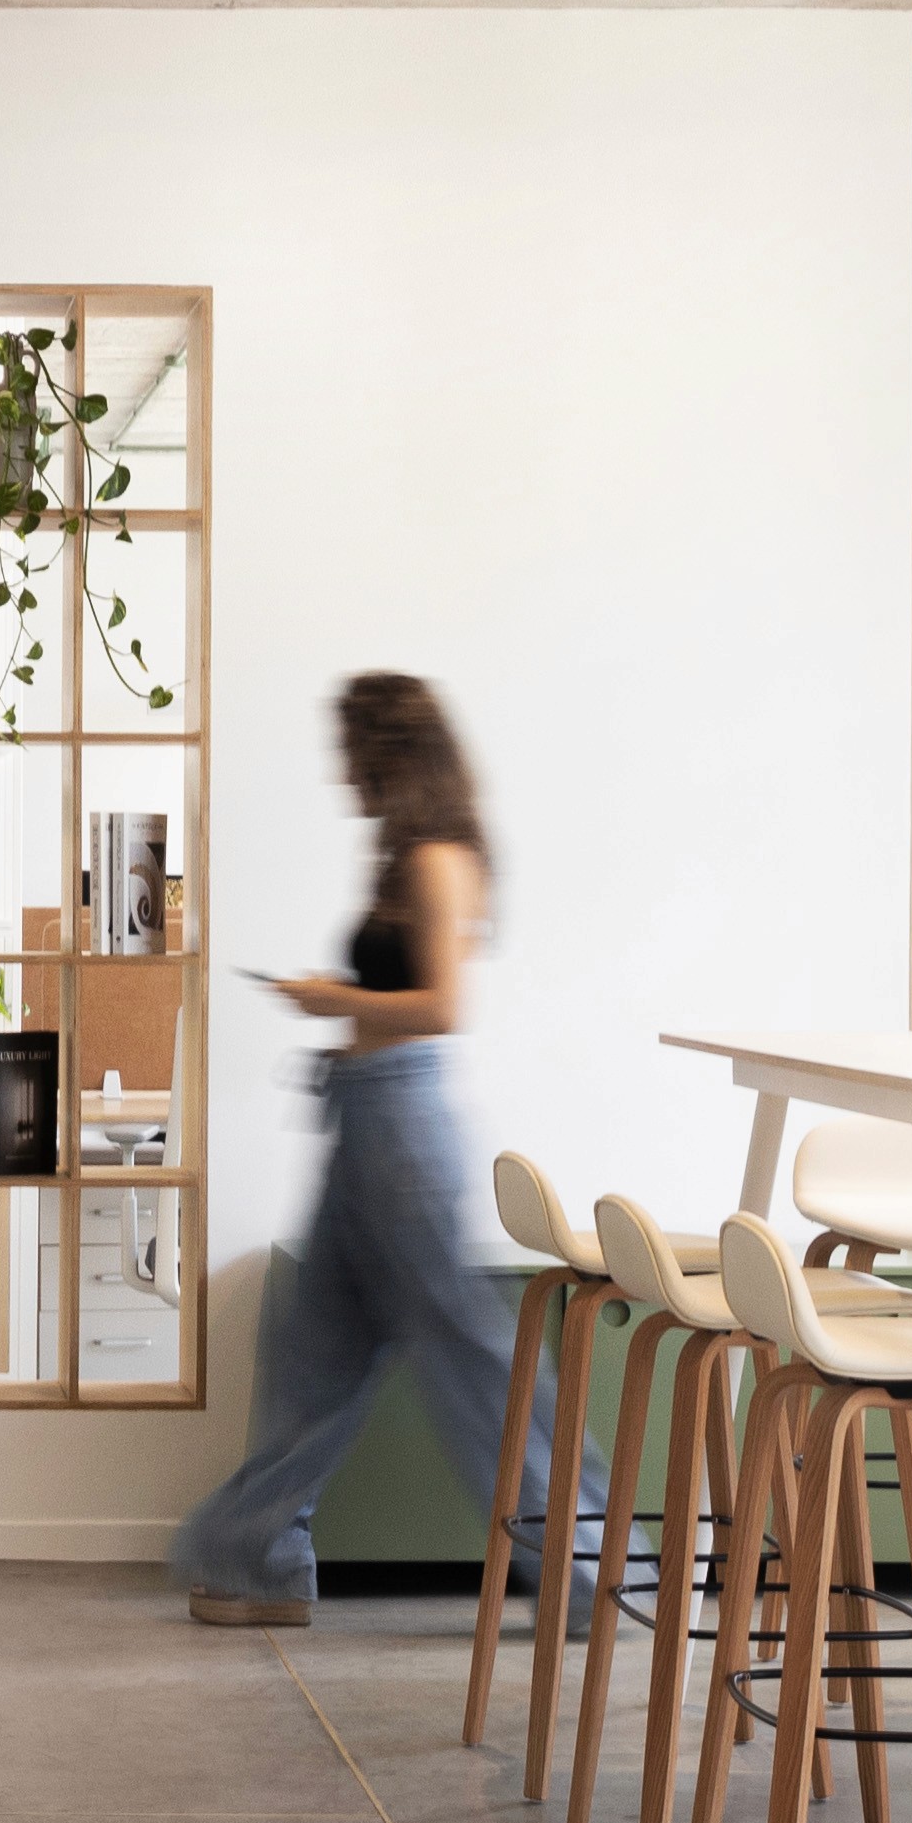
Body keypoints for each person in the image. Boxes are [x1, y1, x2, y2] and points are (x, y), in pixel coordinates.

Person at [168, 672, 586, 1628]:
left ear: (392, 754)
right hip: (364, 1121)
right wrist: (341, 1019)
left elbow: (442, 1008)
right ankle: (259, 1561)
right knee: (312, 1351)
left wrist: (333, 1000)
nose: (342, 773)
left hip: (401, 1133)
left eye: (352, 752)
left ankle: (595, 1572)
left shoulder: (438, 859)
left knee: (471, 1366)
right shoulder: (402, 861)